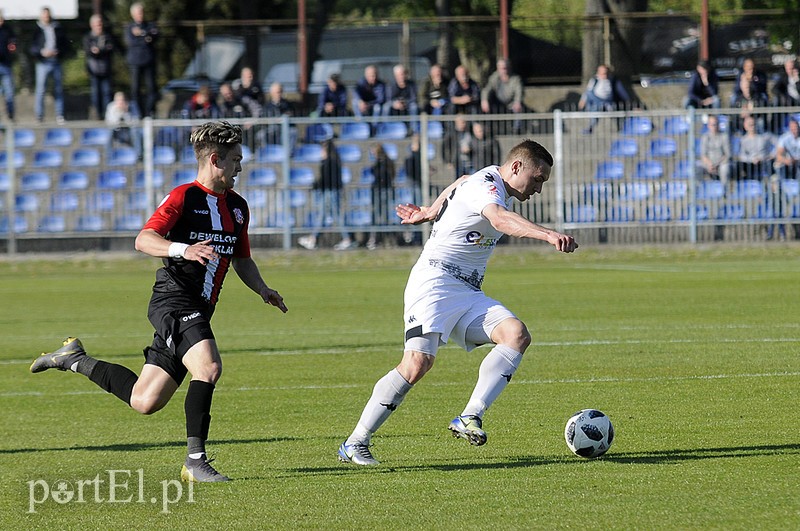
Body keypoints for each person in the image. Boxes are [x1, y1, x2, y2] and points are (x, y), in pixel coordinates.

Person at [30, 121, 289, 483]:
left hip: (198, 308)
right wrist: (183, 248)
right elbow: (144, 239)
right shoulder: (184, 197)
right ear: (215, 159)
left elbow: (242, 258)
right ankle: (195, 462)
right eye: (235, 159)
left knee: (144, 400)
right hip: (173, 301)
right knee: (209, 367)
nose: (240, 167)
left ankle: (74, 359)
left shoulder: (239, 208)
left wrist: (263, 288)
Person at [337, 139, 578, 466]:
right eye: (537, 179)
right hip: (434, 282)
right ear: (517, 167)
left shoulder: (482, 182)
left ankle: (469, 417)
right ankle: (355, 442)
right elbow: (499, 220)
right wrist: (548, 234)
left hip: (466, 291)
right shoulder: (488, 187)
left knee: (516, 335)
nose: (538, 188)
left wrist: (431, 210)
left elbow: (460, 180)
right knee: (416, 364)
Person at [298, 139, 353, 251]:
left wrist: (316, 185)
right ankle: (313, 238)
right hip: (330, 191)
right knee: (324, 215)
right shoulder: (334, 161)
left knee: (331, 215)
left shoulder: (329, 163)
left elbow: (325, 180)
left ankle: (346, 239)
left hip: (329, 192)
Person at [30, 7, 69, 123]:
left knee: (58, 89)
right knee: (40, 90)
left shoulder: (57, 28)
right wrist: (42, 52)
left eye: (48, 15)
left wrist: (58, 52)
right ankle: (39, 116)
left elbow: (65, 44)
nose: (46, 17)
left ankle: (60, 115)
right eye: (44, 15)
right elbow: (32, 47)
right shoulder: (37, 29)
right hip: (43, 63)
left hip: (56, 61)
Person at [125, 2, 158, 117]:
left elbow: (154, 37)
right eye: (138, 13)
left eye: (142, 12)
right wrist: (145, 37)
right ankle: (139, 113)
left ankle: (149, 112)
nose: (140, 15)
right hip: (135, 62)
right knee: (135, 89)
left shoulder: (150, 25)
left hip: (148, 60)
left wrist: (141, 34)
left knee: (152, 88)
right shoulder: (129, 27)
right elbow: (131, 42)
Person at [578, 64, 632, 134]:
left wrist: (629, 102)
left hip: (608, 101)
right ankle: (590, 127)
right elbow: (587, 92)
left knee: (610, 110)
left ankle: (620, 127)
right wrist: (582, 101)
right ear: (598, 72)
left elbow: (622, 92)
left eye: (606, 73)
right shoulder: (594, 80)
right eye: (603, 73)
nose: (605, 75)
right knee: (589, 95)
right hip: (596, 100)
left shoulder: (613, 80)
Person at [83, 14, 116, 120]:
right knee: (96, 94)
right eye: (97, 24)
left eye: (100, 24)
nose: (99, 26)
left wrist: (99, 51)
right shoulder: (88, 37)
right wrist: (100, 51)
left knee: (107, 93)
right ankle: (98, 115)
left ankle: (107, 115)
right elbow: (89, 52)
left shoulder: (107, 36)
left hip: (106, 69)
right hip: (94, 70)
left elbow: (110, 49)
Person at [481, 58, 526, 134]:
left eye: (505, 67)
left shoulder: (515, 79)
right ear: (498, 68)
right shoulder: (494, 77)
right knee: (486, 108)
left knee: (519, 109)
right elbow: (486, 89)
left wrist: (517, 102)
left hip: (512, 104)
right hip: (498, 103)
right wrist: (484, 100)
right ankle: (490, 130)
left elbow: (519, 92)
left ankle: (516, 131)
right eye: (501, 68)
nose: (504, 70)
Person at [367, 143, 395, 250]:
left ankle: (385, 239)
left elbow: (383, 175)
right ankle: (377, 239)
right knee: (377, 215)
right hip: (379, 190)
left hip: (383, 190)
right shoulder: (380, 163)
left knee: (384, 215)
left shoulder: (384, 163)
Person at [735, 114, 774, 181]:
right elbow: (741, 155)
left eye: (754, 124)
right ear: (745, 126)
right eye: (750, 125)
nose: (752, 127)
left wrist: (770, 155)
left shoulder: (765, 137)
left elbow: (778, 145)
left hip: (764, 163)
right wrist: (752, 159)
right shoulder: (743, 140)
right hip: (749, 165)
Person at [105, 91, 142, 156]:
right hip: (117, 131)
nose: (120, 102)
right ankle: (109, 155)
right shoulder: (111, 107)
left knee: (135, 131)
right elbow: (110, 123)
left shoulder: (132, 106)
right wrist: (119, 114)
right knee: (109, 132)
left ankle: (138, 155)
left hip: (129, 131)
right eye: (118, 100)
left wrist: (126, 113)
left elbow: (136, 122)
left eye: (122, 100)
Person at [700, 115, 732, 186]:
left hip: (721, 163)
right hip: (708, 163)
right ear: (708, 126)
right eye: (712, 125)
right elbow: (703, 155)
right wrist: (709, 164)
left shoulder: (724, 136)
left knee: (725, 168)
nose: (714, 126)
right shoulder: (705, 137)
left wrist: (717, 164)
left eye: (716, 124)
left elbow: (727, 154)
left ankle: (724, 191)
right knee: (696, 168)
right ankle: (697, 190)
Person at [442, 113, 473, 179]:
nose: (463, 124)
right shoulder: (451, 134)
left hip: (470, 162)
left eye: (464, 122)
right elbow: (445, 148)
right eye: (461, 122)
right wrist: (448, 161)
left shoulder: (469, 133)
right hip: (458, 162)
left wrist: (470, 149)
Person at [0, 10, 17, 121]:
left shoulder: (8, 30)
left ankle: (11, 116)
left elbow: (13, 43)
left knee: (9, 93)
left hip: (5, 65)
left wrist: (12, 47)